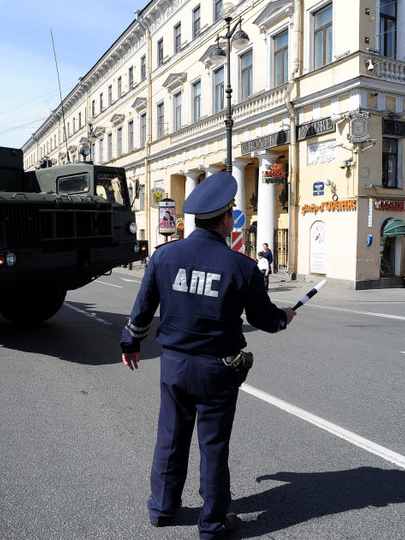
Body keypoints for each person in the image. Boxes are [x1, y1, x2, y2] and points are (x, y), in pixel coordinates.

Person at [120, 172, 296, 540]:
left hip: (174, 364)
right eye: (231, 215)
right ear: (226, 219)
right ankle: (212, 523)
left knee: (170, 436)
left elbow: (142, 311)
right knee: (213, 444)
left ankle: (162, 509)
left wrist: (130, 343)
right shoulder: (241, 266)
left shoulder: (164, 256)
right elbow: (264, 321)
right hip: (218, 369)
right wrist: (284, 317)